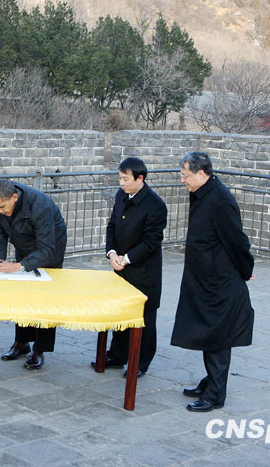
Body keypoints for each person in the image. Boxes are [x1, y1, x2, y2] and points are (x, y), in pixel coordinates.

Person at [172, 151, 255, 412]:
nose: (182, 180)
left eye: (185, 175)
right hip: (203, 278)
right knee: (206, 333)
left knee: (218, 336)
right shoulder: (201, 193)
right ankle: (210, 381)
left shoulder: (220, 200)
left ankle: (215, 394)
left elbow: (236, 240)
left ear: (201, 173)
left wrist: (246, 269)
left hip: (219, 282)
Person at [97, 157, 167, 379]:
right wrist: (111, 253)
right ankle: (117, 355)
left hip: (143, 271)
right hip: (121, 266)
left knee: (144, 318)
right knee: (120, 312)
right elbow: (112, 225)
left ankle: (140, 362)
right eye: (120, 178)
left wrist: (126, 258)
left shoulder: (155, 205)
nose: (121, 183)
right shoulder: (121, 195)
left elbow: (151, 242)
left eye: (125, 179)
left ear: (140, 179)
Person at [0, 179, 67, 370]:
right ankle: (22, 342)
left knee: (45, 298)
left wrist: (19, 266)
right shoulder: (0, 200)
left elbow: (47, 249)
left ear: (15, 198)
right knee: (23, 294)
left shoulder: (40, 205)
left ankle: (40, 350)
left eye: (2, 207)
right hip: (24, 245)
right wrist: (0, 258)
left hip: (50, 249)